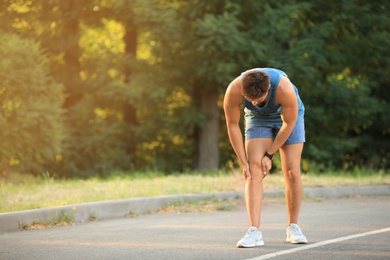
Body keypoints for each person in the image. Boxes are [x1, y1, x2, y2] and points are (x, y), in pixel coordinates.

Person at [223, 67, 308, 248]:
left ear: (268, 90)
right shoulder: (234, 89)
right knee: (252, 171)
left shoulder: (284, 89)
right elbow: (232, 125)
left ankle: (293, 227)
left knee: (292, 171)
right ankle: (254, 231)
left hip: (289, 118)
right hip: (258, 120)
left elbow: (289, 122)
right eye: (249, 99)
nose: (253, 103)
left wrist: (270, 154)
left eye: (258, 99)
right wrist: (242, 160)